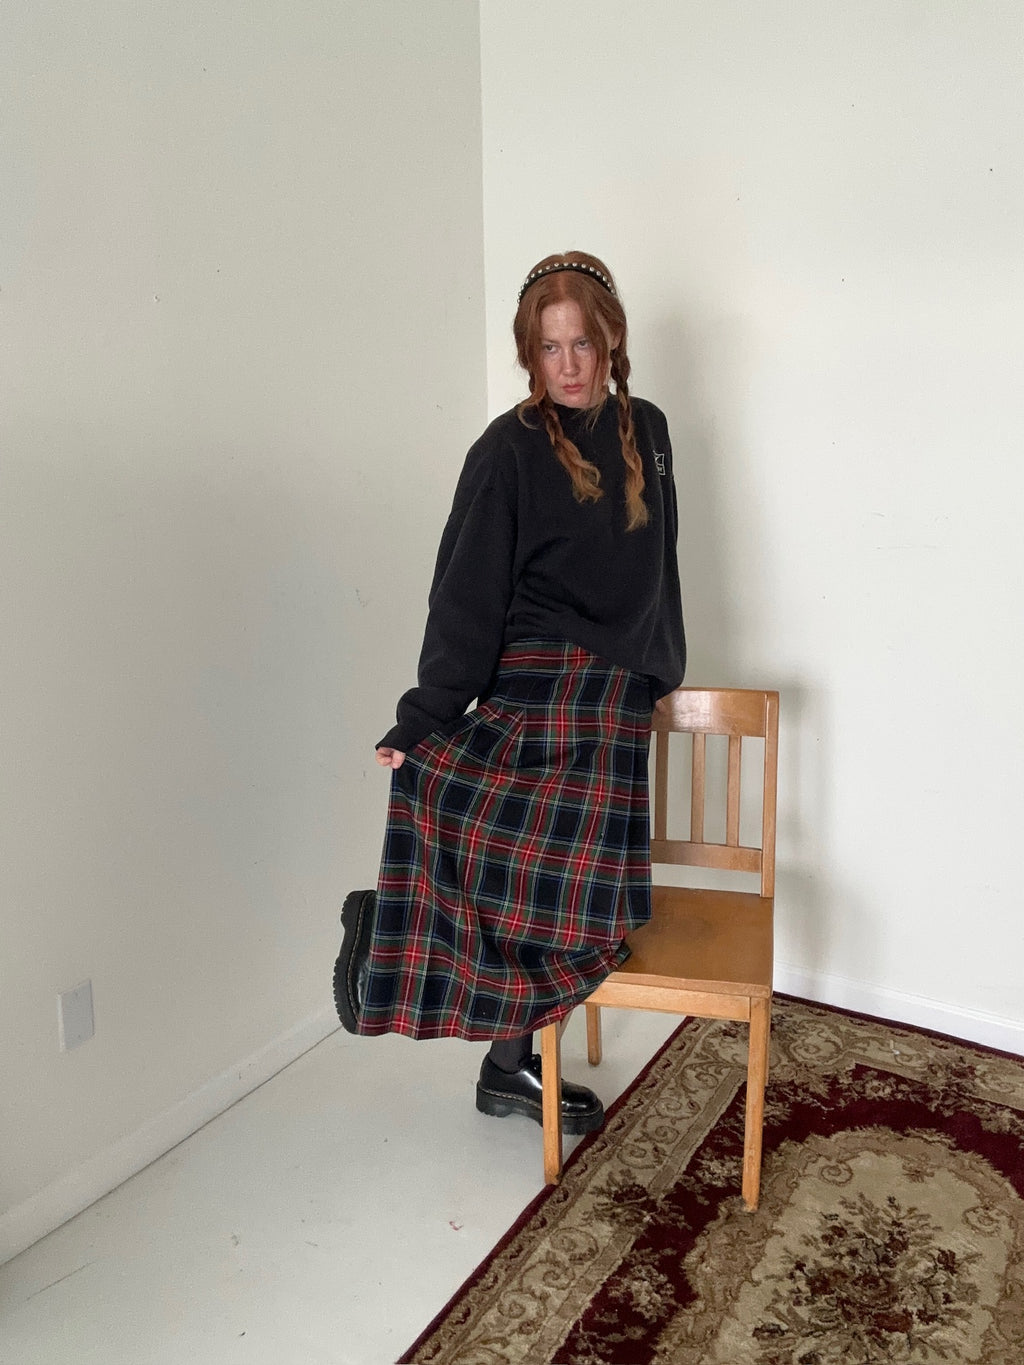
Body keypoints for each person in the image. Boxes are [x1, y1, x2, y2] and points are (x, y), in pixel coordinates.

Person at [335, 251, 685, 1136]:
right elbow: (465, 592)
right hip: (531, 685)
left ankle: (503, 1072)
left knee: (591, 914)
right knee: (536, 881)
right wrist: (426, 716)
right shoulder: (506, 449)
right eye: (548, 348)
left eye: (583, 344)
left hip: (609, 701)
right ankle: (396, 942)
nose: (567, 365)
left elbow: (660, 571)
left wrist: (656, 673)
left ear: (612, 342)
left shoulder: (651, 429)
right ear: (530, 355)